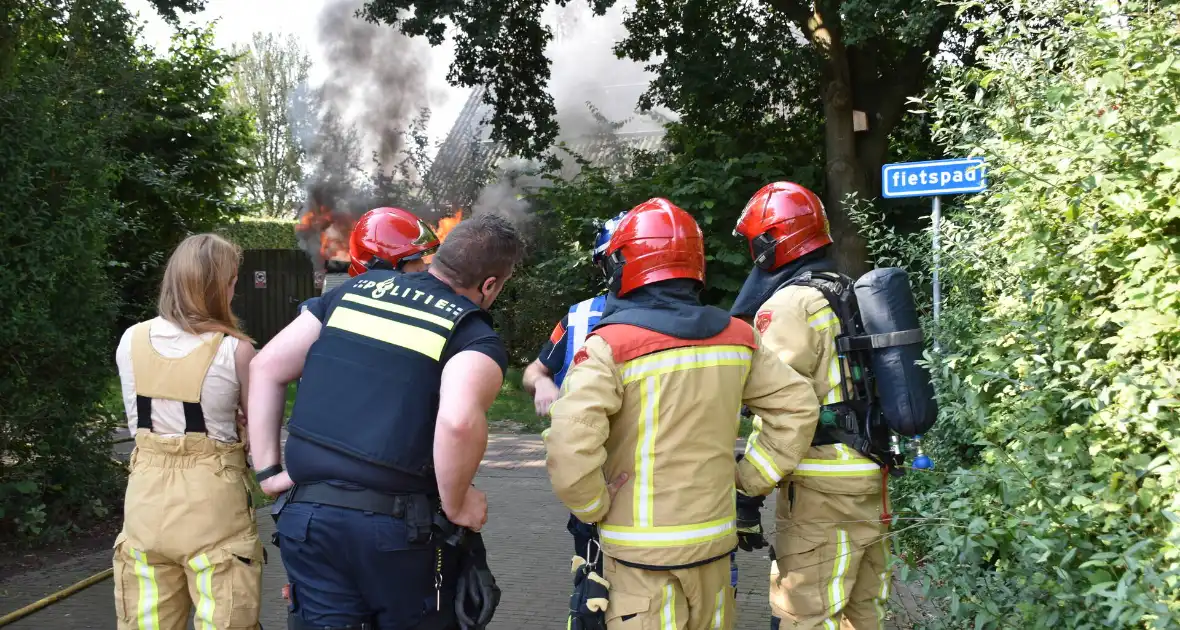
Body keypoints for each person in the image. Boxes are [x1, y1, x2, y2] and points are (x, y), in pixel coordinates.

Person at [545, 198, 822, 630]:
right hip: (713, 546)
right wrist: (748, 478)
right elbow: (798, 407)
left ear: (624, 264)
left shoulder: (610, 347)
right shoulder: (738, 337)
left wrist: (593, 504)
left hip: (639, 559)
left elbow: (568, 443)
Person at [248, 213, 524, 630]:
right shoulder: (470, 332)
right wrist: (457, 503)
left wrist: (269, 472)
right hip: (397, 534)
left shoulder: (353, 292)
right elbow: (458, 423)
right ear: (489, 285)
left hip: (307, 521)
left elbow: (265, 366)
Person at [731, 182, 891, 630]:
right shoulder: (845, 289)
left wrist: (749, 486)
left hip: (822, 491)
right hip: (869, 475)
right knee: (863, 613)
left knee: (807, 615)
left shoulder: (789, 303)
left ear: (771, 243)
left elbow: (785, 411)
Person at [112, 233, 262, 630]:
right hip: (213, 505)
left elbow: (137, 421)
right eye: (232, 281)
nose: (234, 291)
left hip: (144, 503)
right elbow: (260, 439)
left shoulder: (131, 339)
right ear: (216, 287)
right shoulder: (236, 349)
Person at [522, 210, 626, 565]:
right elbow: (533, 371)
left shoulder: (690, 326)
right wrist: (543, 384)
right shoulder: (580, 318)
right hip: (594, 479)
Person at [299, 206, 438, 316]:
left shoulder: (319, 308)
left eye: (420, 258)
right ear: (379, 264)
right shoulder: (325, 311)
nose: (423, 267)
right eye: (413, 260)